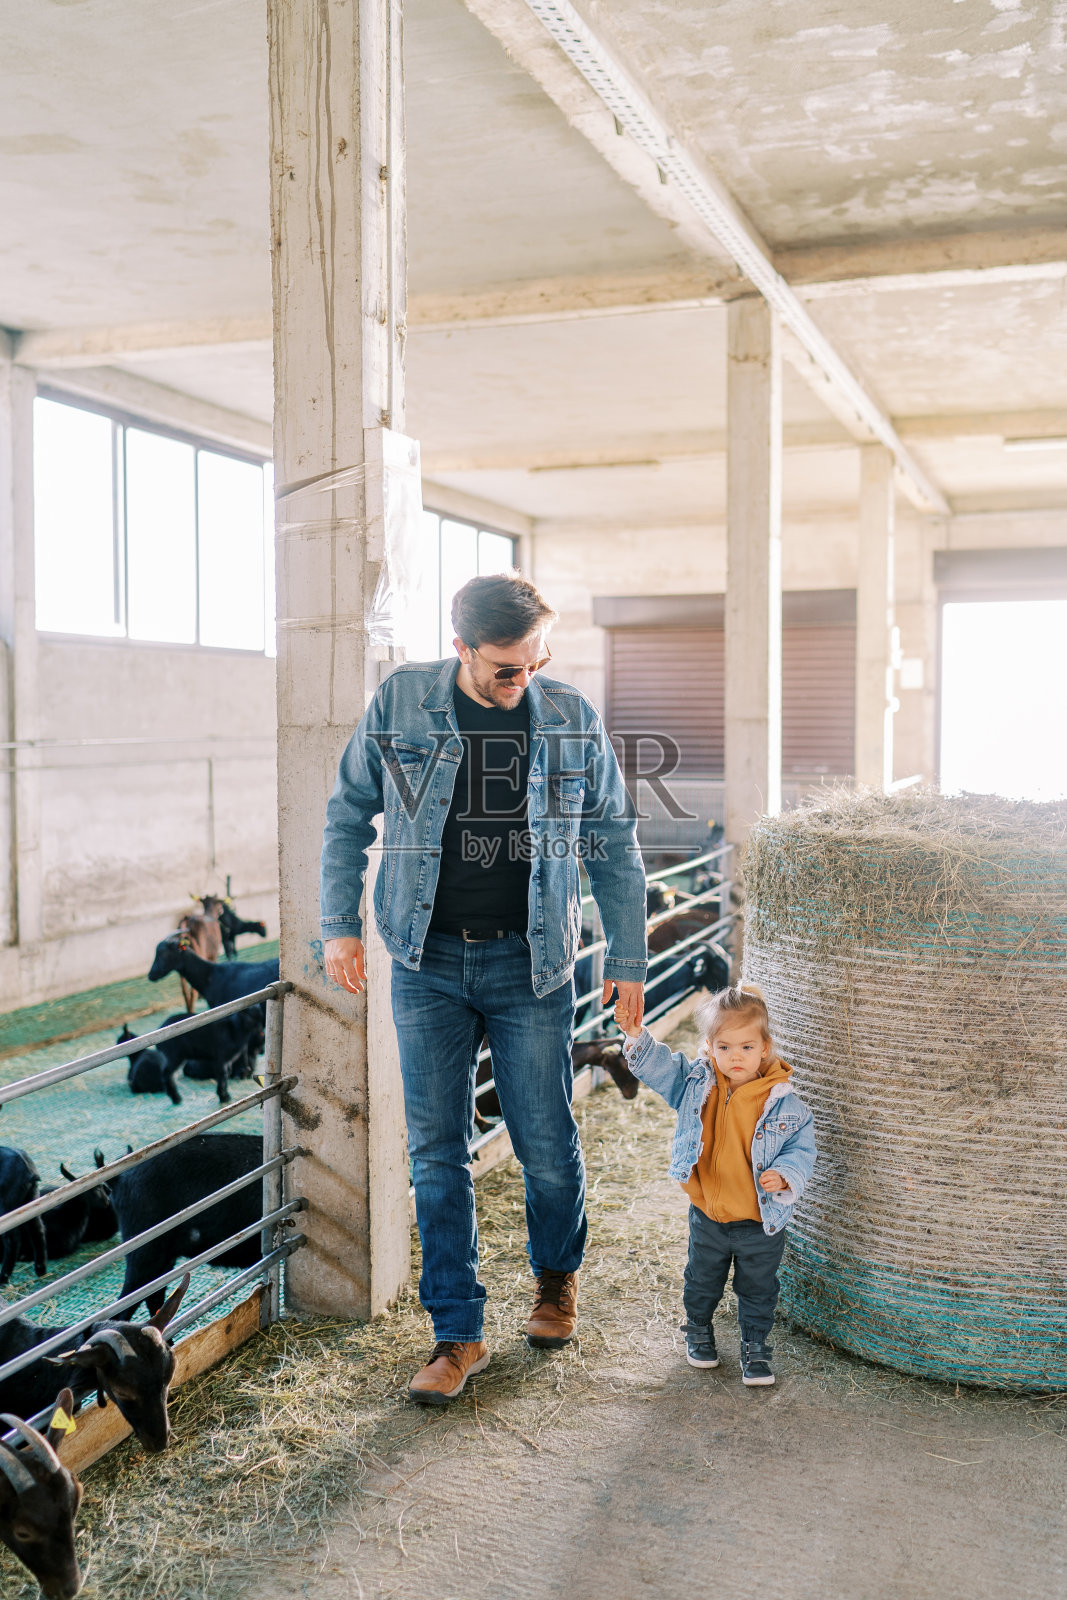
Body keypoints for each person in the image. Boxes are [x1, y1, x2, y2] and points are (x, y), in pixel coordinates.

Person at [321, 572, 647, 1404]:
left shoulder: (569, 717)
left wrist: (628, 960)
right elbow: (348, 813)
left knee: (546, 1144)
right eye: (507, 669)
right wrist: (338, 924)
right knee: (436, 1154)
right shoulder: (400, 703)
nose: (523, 682)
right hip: (425, 962)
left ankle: (554, 1282)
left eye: (536, 663)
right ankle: (456, 1334)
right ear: (461, 647)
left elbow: (611, 837)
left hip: (531, 964)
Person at [613, 981, 815, 1386]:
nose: (735, 1056)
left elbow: (801, 1149)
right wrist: (635, 1034)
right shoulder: (696, 1084)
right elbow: (661, 1067)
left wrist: (786, 1174)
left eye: (745, 1047)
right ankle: (699, 1330)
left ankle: (755, 1347)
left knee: (758, 1289)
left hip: (761, 1220)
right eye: (724, 1047)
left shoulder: (785, 1103)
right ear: (709, 1046)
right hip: (708, 1215)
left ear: (765, 1047)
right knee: (701, 1279)